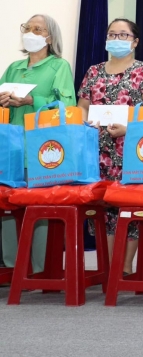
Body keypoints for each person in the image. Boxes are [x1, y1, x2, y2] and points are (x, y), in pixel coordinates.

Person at [77, 18, 143, 275]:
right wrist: (84, 122)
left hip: (130, 146)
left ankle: (124, 267)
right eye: (112, 34)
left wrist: (129, 128)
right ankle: (108, 266)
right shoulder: (93, 71)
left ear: (135, 41)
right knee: (104, 209)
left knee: (128, 207)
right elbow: (82, 106)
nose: (117, 38)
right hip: (97, 149)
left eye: (123, 35)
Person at [0, 14, 75, 273]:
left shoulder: (59, 66)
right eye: (28, 28)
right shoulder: (14, 68)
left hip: (42, 147)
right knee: (8, 204)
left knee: (39, 206)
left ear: (49, 38)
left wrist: (32, 101)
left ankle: (41, 267)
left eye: (38, 29)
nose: (31, 32)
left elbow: (67, 107)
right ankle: (13, 267)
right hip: (11, 146)